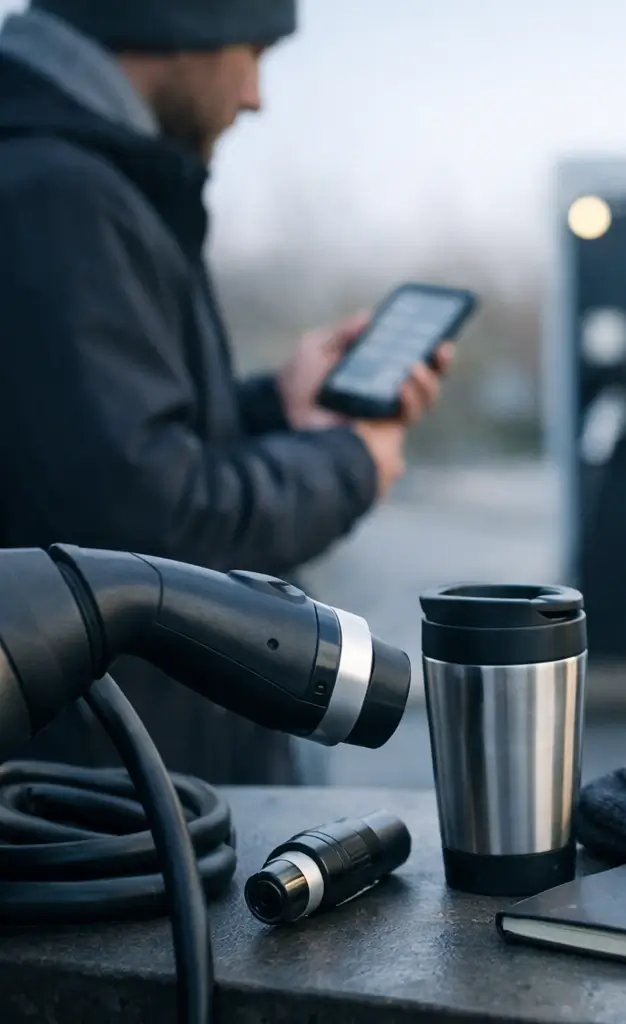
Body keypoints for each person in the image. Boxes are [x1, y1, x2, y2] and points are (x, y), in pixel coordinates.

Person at [0, 1, 454, 784]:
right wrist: (350, 462)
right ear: (182, 24)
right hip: (112, 792)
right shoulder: (57, 195)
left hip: (121, 771)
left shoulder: (86, 177)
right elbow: (151, 534)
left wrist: (276, 404)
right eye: (254, 50)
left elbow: (94, 446)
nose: (255, 95)